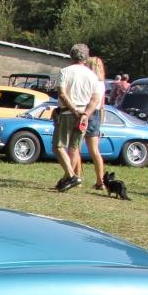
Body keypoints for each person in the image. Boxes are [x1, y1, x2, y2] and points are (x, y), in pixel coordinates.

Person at [52, 43, 98, 192]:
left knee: (58, 146)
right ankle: (67, 179)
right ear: (86, 58)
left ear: (71, 56)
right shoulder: (92, 75)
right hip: (84, 115)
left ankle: (71, 176)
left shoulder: (65, 71)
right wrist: (85, 114)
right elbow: (95, 99)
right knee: (74, 148)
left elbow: (62, 93)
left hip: (67, 113)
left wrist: (73, 110)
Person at [81, 56, 108, 190]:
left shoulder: (89, 81)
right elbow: (102, 105)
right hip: (96, 114)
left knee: (75, 147)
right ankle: (100, 180)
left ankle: (76, 177)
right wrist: (101, 121)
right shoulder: (102, 83)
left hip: (86, 112)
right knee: (95, 151)